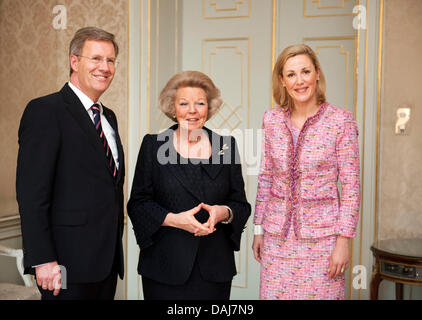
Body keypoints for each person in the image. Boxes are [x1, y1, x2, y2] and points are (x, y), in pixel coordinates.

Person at [16, 27, 125, 300]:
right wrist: (43, 260)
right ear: (74, 62)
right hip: (64, 265)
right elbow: (32, 195)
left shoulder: (108, 116)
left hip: (105, 263)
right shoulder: (45, 111)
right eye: (96, 59)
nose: (105, 67)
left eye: (110, 60)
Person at [127, 70, 251, 300]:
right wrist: (175, 220)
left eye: (200, 103)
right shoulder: (153, 146)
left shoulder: (226, 147)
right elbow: (138, 204)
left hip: (214, 269)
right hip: (164, 268)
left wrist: (223, 212)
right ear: (172, 108)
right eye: (184, 103)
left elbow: (241, 205)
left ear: (209, 108)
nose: (192, 110)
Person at [252, 44, 360, 300]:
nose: (299, 81)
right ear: (282, 80)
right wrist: (258, 229)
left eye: (305, 72)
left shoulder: (340, 121)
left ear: (317, 73)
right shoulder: (272, 120)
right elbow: (266, 177)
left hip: (323, 242)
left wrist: (343, 242)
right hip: (276, 239)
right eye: (291, 74)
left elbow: (351, 186)